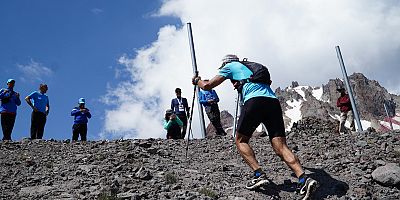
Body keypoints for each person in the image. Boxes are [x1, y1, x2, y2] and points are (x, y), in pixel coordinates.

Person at [192, 54, 318, 198]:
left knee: (241, 140)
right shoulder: (252, 67)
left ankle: (259, 174)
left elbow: (207, 86)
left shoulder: (230, 66)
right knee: (281, 146)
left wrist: (197, 81)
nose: (233, 84)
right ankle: (303, 178)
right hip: (272, 102)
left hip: (254, 101)